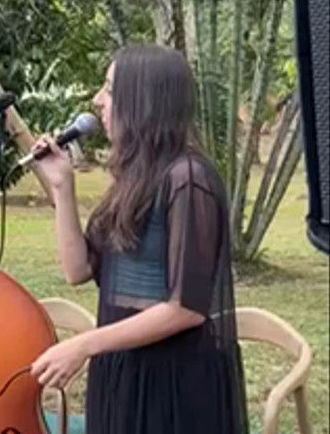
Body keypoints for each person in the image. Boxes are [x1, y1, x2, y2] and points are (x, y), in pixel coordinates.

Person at [29, 45, 248, 434]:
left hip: (172, 382)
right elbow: (76, 269)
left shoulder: (189, 178)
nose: (98, 101)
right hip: (122, 370)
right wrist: (63, 187)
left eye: (109, 89)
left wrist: (84, 344)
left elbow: (186, 309)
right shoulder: (133, 181)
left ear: (143, 101)